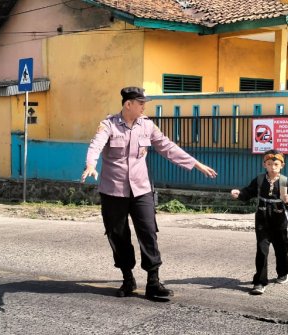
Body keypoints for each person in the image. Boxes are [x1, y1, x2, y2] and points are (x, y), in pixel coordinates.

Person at [81, 86, 217, 301]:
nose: (144, 107)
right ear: (128, 104)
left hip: (141, 190)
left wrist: (195, 164)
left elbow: (168, 147)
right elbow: (95, 146)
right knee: (118, 236)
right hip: (113, 191)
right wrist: (91, 165)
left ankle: (153, 282)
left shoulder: (147, 125)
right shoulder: (108, 125)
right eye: (141, 103)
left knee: (148, 233)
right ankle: (128, 278)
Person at [230, 150, 288, 295]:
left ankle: (283, 271)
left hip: (279, 221)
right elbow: (248, 192)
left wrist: (287, 200)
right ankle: (259, 282)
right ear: (264, 165)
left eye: (276, 164)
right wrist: (239, 194)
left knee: (281, 249)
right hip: (262, 220)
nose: (273, 167)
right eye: (269, 164)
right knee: (262, 251)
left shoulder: (285, 181)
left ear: (282, 165)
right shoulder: (259, 180)